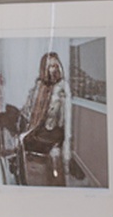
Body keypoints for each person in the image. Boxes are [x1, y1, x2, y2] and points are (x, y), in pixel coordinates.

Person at [17, 51, 72, 186]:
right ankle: (27, 179)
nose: (53, 69)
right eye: (49, 66)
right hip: (39, 129)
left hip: (53, 132)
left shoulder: (63, 86)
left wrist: (67, 145)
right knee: (21, 140)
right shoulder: (39, 85)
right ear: (44, 68)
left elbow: (68, 117)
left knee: (25, 141)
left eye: (55, 65)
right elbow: (30, 110)